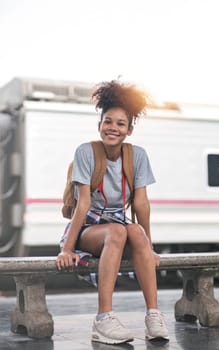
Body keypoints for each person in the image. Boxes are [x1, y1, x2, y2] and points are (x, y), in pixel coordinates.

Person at [56, 80, 169, 345]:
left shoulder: (137, 156)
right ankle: (103, 319)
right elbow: (82, 204)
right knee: (118, 231)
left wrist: (149, 247)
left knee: (133, 231)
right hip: (89, 227)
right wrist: (67, 249)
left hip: (118, 224)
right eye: (108, 122)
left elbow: (141, 204)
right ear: (99, 126)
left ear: (129, 130)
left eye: (120, 124)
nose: (113, 128)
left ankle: (153, 315)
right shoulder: (86, 152)